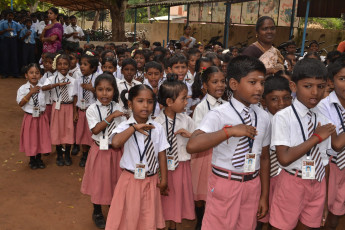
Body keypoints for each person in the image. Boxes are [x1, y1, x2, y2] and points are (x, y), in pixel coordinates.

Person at [187, 55, 271, 230]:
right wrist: (229, 131)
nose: (259, 88)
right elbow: (192, 145)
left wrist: (264, 195)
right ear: (234, 84)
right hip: (225, 182)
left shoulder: (263, 116)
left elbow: (264, 158)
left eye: (262, 83)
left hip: (252, 183)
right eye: (252, 82)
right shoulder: (219, 114)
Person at [269, 58, 336, 229]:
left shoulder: (324, 120)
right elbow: (284, 158)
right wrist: (316, 138)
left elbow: (325, 162)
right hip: (292, 181)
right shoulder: (283, 117)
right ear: (293, 86)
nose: (315, 92)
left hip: (317, 182)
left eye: (320, 87)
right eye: (308, 86)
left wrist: (325, 198)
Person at [106, 84, 169, 230]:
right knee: (130, 216)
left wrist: (164, 179)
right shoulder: (124, 126)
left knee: (147, 216)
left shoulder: (157, 127)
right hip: (131, 180)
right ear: (130, 104)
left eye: (150, 101)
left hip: (152, 179)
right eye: (140, 101)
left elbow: (161, 153)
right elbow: (115, 143)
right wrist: (134, 128)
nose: (145, 105)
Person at [81, 74, 125, 229]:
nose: (104, 93)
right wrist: (112, 116)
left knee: (115, 180)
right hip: (100, 150)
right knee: (99, 182)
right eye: (100, 90)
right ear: (95, 91)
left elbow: (123, 129)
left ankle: (114, 207)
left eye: (108, 90)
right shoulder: (91, 109)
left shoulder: (118, 107)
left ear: (114, 91)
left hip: (116, 151)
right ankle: (97, 211)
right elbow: (95, 129)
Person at [155, 78, 196, 229]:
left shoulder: (186, 120)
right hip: (163, 167)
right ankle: (160, 224)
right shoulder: (157, 123)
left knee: (176, 197)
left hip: (181, 166)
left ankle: (173, 225)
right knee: (163, 197)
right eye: (183, 98)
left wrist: (191, 135)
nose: (187, 102)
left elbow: (199, 139)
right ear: (170, 102)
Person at [191, 66, 227, 229]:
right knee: (203, 192)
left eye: (222, 81)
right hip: (205, 155)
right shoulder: (202, 107)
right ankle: (201, 221)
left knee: (216, 191)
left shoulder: (227, 104)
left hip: (221, 154)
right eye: (215, 82)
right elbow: (198, 135)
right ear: (205, 85)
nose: (220, 85)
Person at [257, 75, 292, 229]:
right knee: (262, 218)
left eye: (286, 98)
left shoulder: (294, 121)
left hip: (286, 179)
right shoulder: (262, 122)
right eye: (275, 99)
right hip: (265, 178)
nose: (282, 104)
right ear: (264, 101)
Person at [318, 60, 345, 230]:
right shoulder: (324, 106)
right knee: (326, 213)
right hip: (332, 166)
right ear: (330, 82)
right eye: (342, 78)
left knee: (339, 213)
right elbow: (336, 144)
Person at [42, 54, 75, 166]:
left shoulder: (73, 80)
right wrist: (56, 84)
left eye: (65, 64)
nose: (63, 66)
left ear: (69, 65)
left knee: (69, 130)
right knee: (57, 130)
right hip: (58, 107)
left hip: (69, 107)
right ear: (56, 66)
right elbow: (43, 88)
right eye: (60, 64)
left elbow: (75, 98)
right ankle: (59, 154)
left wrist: (75, 112)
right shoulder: (51, 79)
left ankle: (67, 155)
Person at [17, 63, 51, 169]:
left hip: (41, 117)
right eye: (31, 73)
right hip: (30, 117)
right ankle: (32, 159)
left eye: (37, 73)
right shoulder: (23, 89)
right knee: (31, 138)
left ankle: (39, 158)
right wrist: (30, 93)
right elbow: (21, 103)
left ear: (40, 75)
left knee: (40, 137)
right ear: (26, 75)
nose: (34, 75)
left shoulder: (42, 88)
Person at [73, 53, 98, 167]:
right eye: (81, 64)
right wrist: (75, 112)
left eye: (85, 64)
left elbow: (102, 96)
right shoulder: (78, 80)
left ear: (93, 67)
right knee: (83, 134)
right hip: (82, 111)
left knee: (92, 134)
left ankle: (92, 155)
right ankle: (84, 154)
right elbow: (76, 96)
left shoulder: (98, 79)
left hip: (93, 112)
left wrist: (92, 89)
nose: (82, 67)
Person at [0, 10, 21, 78]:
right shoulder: (2, 23)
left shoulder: (15, 24)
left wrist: (14, 36)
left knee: (14, 56)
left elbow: (19, 31)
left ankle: (15, 73)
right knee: (5, 56)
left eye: (11, 16)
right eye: (9, 15)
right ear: (6, 16)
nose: (10, 17)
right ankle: (5, 73)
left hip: (13, 40)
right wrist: (6, 30)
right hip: (5, 40)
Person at [39, 52, 56, 123]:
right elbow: (40, 86)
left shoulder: (57, 75)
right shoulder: (46, 75)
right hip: (47, 102)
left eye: (50, 62)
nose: (46, 64)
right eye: (45, 62)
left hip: (55, 103)